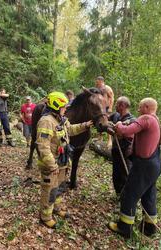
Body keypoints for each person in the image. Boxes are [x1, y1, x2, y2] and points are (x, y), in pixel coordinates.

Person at [36, 91, 93, 228]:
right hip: (51, 164)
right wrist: (52, 165)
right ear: (56, 106)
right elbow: (43, 147)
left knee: (60, 186)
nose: (66, 109)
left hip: (62, 161)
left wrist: (85, 125)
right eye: (64, 107)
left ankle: (56, 207)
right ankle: (45, 216)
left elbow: (71, 130)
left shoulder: (62, 119)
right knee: (49, 188)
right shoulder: (46, 121)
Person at [108, 98, 161, 239]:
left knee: (129, 193)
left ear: (146, 106)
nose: (138, 109)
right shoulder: (155, 120)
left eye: (140, 106)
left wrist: (119, 124)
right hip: (154, 165)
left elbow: (126, 131)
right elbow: (135, 125)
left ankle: (124, 227)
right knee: (148, 195)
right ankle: (149, 228)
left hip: (144, 165)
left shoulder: (146, 118)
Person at [109, 97, 136, 196]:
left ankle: (126, 196)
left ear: (122, 106)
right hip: (115, 149)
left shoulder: (132, 119)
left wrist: (120, 131)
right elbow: (106, 119)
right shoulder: (115, 115)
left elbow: (129, 131)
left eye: (117, 104)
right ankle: (118, 193)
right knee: (116, 173)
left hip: (125, 150)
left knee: (125, 173)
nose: (115, 105)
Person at [95, 76, 114, 148]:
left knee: (107, 122)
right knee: (99, 121)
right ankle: (100, 137)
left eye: (97, 81)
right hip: (100, 108)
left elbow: (112, 97)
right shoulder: (97, 88)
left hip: (106, 108)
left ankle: (110, 140)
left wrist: (110, 107)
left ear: (101, 81)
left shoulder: (107, 88)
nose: (96, 82)